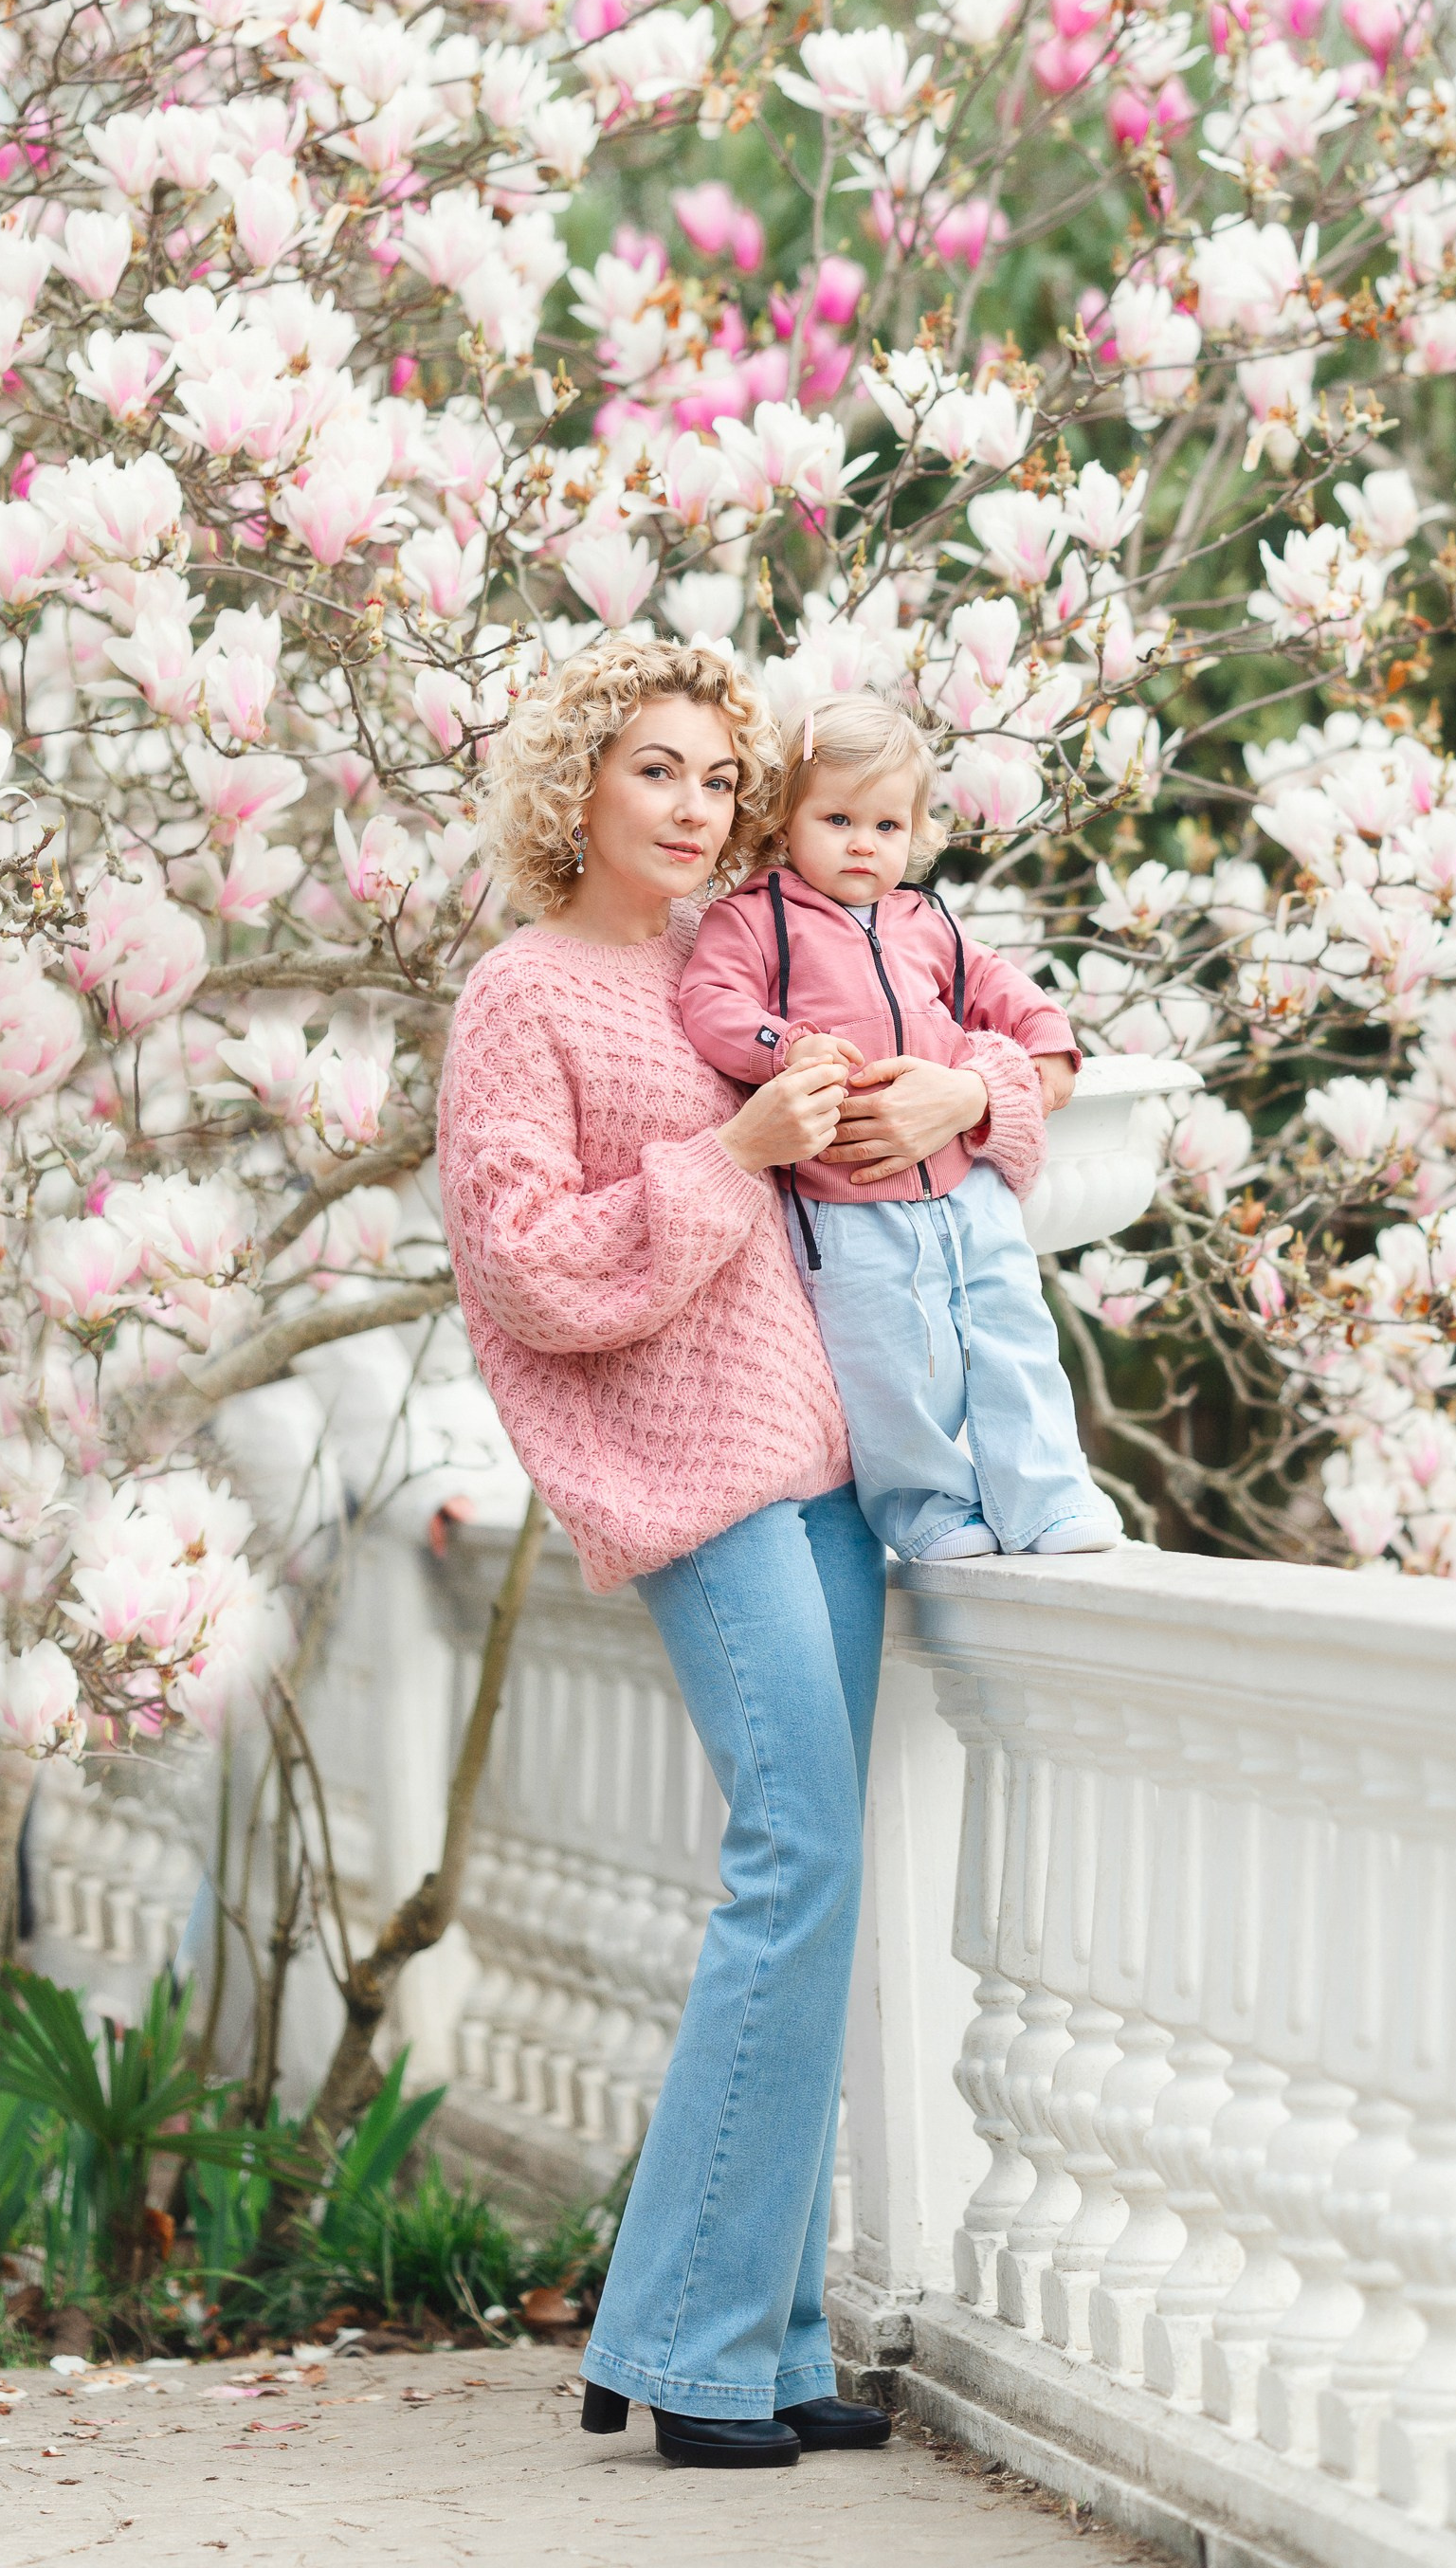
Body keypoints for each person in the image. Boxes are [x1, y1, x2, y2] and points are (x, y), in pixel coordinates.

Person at [436, 636, 1024, 2474]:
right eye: (655, 774)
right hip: (697, 1479)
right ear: (576, 793)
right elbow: (520, 1261)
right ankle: (685, 2340)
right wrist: (736, 1154)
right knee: (799, 1858)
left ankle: (760, 2342)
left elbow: (958, 1053)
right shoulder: (522, 997)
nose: (694, 809)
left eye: (715, 778)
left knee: (823, 1888)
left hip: (832, 1461)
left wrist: (981, 1096)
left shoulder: (731, 956)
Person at [678, 693, 1121, 1563]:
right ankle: (929, 1509)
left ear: (913, 831)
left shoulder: (929, 921)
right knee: (893, 1362)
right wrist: (786, 1044)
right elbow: (710, 1003)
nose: (861, 843)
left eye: (886, 824)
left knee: (1011, 1334)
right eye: (836, 818)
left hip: (968, 1181)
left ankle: (1046, 1495)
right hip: (845, 1202)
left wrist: (1049, 1047)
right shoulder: (756, 917)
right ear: (785, 819)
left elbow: (1010, 996)